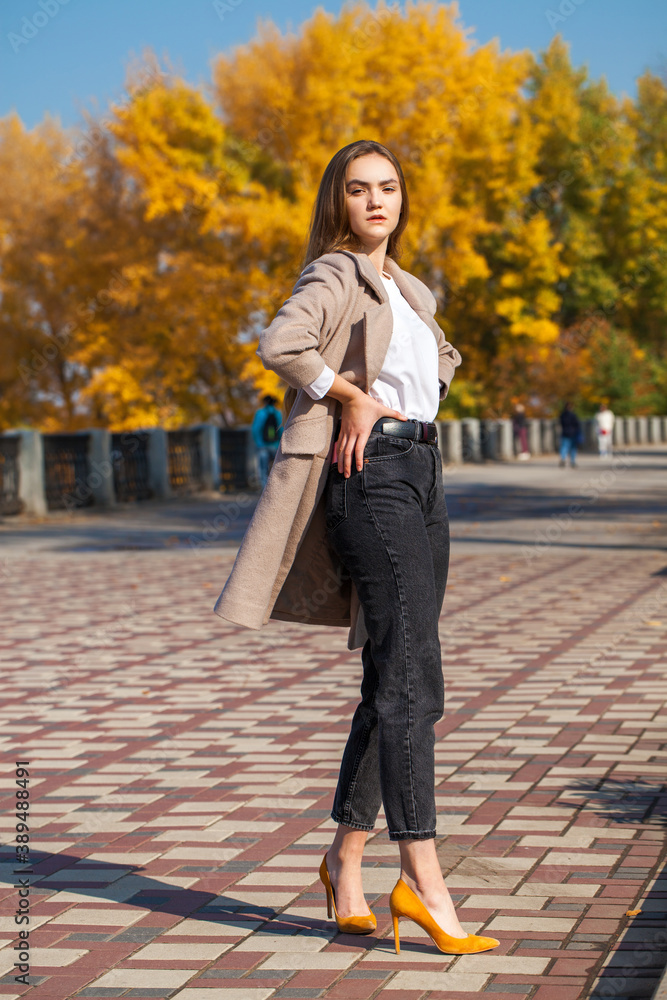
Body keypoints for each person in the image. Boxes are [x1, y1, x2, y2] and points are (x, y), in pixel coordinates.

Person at [213, 140, 499, 957]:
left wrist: (410, 389)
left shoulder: (406, 285)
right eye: (358, 189)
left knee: (398, 676)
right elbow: (282, 344)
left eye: (388, 187)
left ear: (402, 199)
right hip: (371, 478)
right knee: (413, 679)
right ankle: (421, 877)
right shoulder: (335, 272)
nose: (376, 201)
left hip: (422, 472)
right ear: (336, 202)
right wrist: (350, 398)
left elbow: (431, 361)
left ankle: (342, 860)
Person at [251, 394, 283, 487]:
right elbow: (282, 429)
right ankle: (276, 488)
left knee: (263, 470)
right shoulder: (278, 413)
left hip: (263, 446)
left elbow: (255, 429)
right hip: (276, 446)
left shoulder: (260, 413)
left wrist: (258, 443)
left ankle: (265, 489)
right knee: (277, 468)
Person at [559, 401, 581, 468]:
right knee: (573, 448)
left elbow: (561, 423)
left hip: (565, 433)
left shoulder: (562, 415)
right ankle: (572, 461)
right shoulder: (573, 415)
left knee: (564, 447)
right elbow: (577, 425)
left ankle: (563, 458)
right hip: (572, 433)